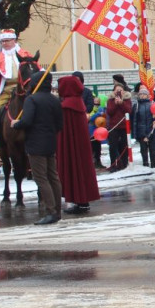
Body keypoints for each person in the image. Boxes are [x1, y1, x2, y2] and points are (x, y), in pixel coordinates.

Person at [10, 70, 63, 225]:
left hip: (35, 144)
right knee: (53, 176)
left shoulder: (31, 100)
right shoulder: (54, 100)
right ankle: (57, 210)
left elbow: (26, 121)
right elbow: (60, 124)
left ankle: (50, 212)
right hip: (50, 142)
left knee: (41, 178)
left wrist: (15, 124)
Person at [56, 75, 100, 215]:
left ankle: (80, 202)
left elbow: (64, 128)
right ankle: (82, 202)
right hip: (80, 146)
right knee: (81, 170)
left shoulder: (67, 106)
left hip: (72, 146)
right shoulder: (78, 103)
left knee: (75, 170)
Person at [0, 29, 36, 133]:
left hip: (25, 89)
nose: (4, 43)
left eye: (7, 40)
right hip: (7, 91)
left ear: (14, 40)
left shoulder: (25, 54)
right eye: (2, 41)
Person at [104, 82, 132, 172]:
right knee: (113, 147)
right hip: (114, 127)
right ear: (114, 91)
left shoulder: (127, 100)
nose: (119, 92)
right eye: (117, 90)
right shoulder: (110, 100)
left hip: (124, 127)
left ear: (123, 91)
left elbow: (128, 111)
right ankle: (114, 164)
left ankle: (124, 164)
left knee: (124, 146)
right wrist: (116, 103)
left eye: (120, 90)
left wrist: (121, 103)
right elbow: (110, 112)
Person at [131, 86, 155, 169]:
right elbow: (134, 121)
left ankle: (153, 164)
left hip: (151, 130)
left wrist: (153, 131)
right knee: (143, 149)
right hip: (141, 131)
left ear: (147, 95)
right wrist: (135, 134)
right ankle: (145, 164)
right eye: (140, 94)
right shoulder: (136, 106)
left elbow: (154, 119)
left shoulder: (152, 104)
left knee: (153, 149)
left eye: (144, 94)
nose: (142, 95)